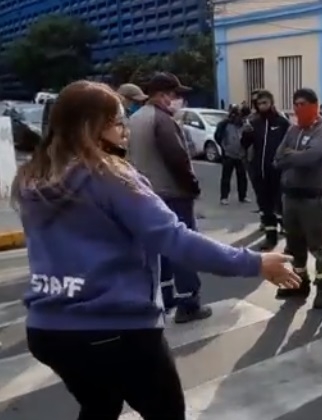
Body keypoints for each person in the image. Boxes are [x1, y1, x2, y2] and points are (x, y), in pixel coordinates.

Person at [13, 80, 299, 420]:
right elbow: (175, 239)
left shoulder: (33, 178)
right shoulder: (109, 176)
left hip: (47, 331)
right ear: (93, 127)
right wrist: (254, 262)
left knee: (99, 405)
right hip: (114, 328)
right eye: (118, 122)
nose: (125, 131)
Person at [126, 73, 209, 323]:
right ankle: (189, 303)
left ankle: (166, 297)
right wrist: (192, 186)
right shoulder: (162, 120)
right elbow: (177, 159)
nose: (178, 100)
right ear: (162, 95)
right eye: (175, 94)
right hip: (172, 193)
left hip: (146, 193)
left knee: (160, 249)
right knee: (183, 247)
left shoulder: (134, 119)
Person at [273, 88, 322, 308]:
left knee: (317, 246)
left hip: (311, 198)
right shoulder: (293, 129)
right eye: (296, 104)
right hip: (290, 197)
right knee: (294, 245)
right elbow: (277, 158)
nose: (299, 108)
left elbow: (311, 157)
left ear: (314, 105)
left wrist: (291, 156)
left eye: (303, 104)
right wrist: (293, 156)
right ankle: (300, 284)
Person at [241, 90, 290, 250]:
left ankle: (290, 238)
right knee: (265, 207)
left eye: (265, 103)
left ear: (271, 103)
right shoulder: (253, 123)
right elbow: (245, 145)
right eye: (259, 103)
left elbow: (290, 143)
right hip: (259, 173)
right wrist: (246, 135)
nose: (262, 106)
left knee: (281, 205)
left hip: (278, 173)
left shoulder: (282, 122)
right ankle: (270, 238)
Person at [215, 105, 250, 205]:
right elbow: (218, 136)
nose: (239, 118)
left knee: (242, 177)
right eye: (237, 115)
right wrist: (224, 147)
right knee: (226, 177)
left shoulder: (244, 125)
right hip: (228, 154)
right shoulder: (225, 125)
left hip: (240, 154)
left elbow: (248, 138)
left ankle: (243, 196)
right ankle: (224, 197)